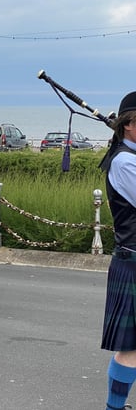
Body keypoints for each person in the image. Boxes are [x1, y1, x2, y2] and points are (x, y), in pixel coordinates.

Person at [101, 92, 136, 410]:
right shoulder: (125, 162)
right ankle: (114, 407)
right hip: (133, 259)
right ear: (128, 126)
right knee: (132, 348)